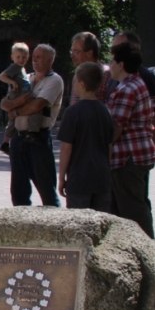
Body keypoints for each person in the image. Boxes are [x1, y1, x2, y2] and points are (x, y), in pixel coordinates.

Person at [1, 43, 64, 207]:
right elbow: (4, 104)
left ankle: (53, 226)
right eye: (33, 57)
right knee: (18, 190)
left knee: (46, 189)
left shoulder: (55, 80)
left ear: (50, 60)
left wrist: (15, 110)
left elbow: (37, 105)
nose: (34, 61)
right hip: (18, 137)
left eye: (39, 58)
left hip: (38, 138)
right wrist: (18, 102)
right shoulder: (26, 78)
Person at [106, 41, 155, 238]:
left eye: (112, 61)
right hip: (138, 155)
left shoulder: (126, 89)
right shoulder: (136, 83)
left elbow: (117, 126)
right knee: (132, 207)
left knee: (132, 212)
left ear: (121, 64)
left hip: (128, 158)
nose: (109, 65)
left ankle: (146, 257)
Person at [57, 62, 113, 211]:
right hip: (102, 178)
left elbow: (66, 148)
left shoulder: (72, 112)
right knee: (101, 223)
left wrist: (61, 177)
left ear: (81, 83)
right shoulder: (105, 111)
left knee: (79, 225)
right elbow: (109, 147)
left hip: (79, 178)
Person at [0, 42, 31, 154]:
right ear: (12, 57)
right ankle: (6, 143)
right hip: (15, 96)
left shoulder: (22, 68)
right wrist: (12, 82)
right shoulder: (15, 67)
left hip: (21, 96)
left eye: (24, 57)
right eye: (18, 57)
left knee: (15, 119)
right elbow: (2, 76)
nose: (21, 59)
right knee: (13, 119)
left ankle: (8, 142)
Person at [69, 31, 113, 102]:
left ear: (89, 53)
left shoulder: (106, 74)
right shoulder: (77, 75)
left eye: (76, 51)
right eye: (71, 51)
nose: (72, 55)